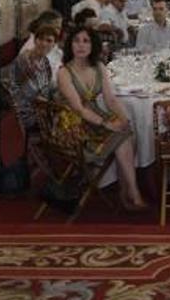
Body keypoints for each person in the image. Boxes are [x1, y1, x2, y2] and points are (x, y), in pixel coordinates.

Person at [55, 27, 148, 211]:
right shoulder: (64, 72)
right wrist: (106, 123)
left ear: (93, 45)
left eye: (86, 41)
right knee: (123, 136)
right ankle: (131, 193)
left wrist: (123, 118)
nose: (81, 45)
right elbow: (79, 109)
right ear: (70, 45)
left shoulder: (99, 67)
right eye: (76, 41)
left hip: (95, 117)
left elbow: (111, 99)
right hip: (73, 125)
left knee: (126, 131)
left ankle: (129, 190)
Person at [10, 23, 60, 133]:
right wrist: (55, 106)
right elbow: (30, 94)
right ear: (35, 40)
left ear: (54, 44)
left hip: (41, 106)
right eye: (40, 39)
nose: (43, 44)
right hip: (26, 111)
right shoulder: (24, 60)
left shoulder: (44, 61)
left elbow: (48, 86)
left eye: (49, 41)